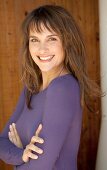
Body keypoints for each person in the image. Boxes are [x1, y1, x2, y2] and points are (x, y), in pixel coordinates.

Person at [0, 4, 101, 170]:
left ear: (67, 42)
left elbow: (41, 166)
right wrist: (22, 154)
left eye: (51, 39)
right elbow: (2, 142)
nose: (42, 49)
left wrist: (18, 159)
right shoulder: (31, 87)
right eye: (35, 40)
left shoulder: (63, 88)